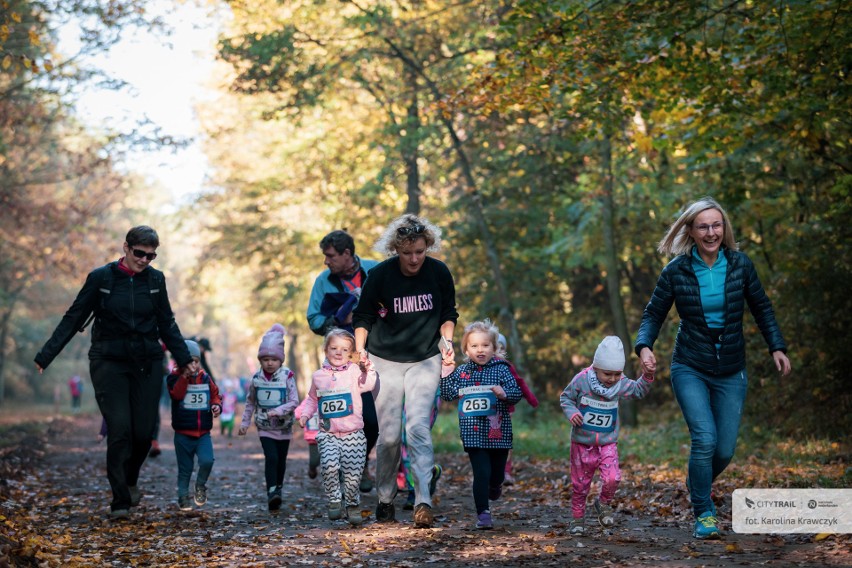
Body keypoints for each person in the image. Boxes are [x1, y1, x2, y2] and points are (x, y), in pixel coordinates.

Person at [635, 197, 792, 540]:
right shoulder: (676, 270)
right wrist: (644, 347)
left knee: (724, 449)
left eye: (716, 225)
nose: (711, 232)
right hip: (690, 364)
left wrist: (776, 347)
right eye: (703, 226)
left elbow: (762, 308)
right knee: (704, 439)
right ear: (690, 230)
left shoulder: (740, 265)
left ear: (725, 228)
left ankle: (696, 480)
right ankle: (704, 512)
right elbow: (653, 314)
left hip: (731, 367)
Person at [34, 225, 192, 519]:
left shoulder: (156, 280)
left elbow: (167, 323)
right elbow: (74, 317)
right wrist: (47, 354)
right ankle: (120, 500)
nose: (145, 260)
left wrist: (185, 358)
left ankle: (130, 479)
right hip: (109, 361)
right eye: (140, 253)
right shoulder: (101, 278)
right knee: (120, 429)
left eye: (151, 256)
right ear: (126, 247)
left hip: (147, 362)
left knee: (144, 433)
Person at [352, 214, 459, 528]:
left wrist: (447, 341)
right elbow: (363, 316)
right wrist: (360, 350)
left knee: (417, 429)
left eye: (420, 252)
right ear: (395, 249)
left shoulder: (438, 272)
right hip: (385, 359)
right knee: (389, 437)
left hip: (425, 359)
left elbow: (449, 311)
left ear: (428, 247)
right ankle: (386, 498)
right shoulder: (381, 275)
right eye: (407, 253)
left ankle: (423, 500)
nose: (414, 259)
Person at [306, 229, 380, 492]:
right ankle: (346, 468)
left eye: (330, 256)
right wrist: (338, 320)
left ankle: (360, 464)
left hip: (376, 353)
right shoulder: (323, 281)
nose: (326, 261)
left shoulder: (376, 270)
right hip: (342, 359)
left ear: (347, 254)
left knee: (371, 420)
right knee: (342, 416)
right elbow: (313, 318)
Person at [559, 336, 655, 535]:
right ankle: (577, 519)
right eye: (607, 374)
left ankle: (603, 505)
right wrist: (572, 412)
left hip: (607, 441)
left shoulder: (620, 383)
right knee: (580, 484)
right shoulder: (582, 380)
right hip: (582, 442)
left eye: (617, 374)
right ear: (596, 367)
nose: (612, 379)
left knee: (613, 478)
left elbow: (637, 391)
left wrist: (646, 376)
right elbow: (566, 398)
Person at [439, 320, 522, 530]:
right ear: (466, 349)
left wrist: (504, 394)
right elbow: (448, 394)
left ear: (494, 347)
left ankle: (496, 485)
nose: (480, 350)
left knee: (496, 474)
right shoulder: (462, 372)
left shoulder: (503, 370)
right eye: (474, 346)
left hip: (499, 433)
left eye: (485, 345)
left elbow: (516, 393)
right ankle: (483, 513)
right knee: (481, 473)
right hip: (473, 432)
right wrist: (446, 371)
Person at [298, 329, 378, 526]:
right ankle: (334, 499)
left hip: (354, 434)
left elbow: (370, 384)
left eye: (344, 349)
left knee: (353, 474)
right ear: (326, 350)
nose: (338, 352)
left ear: (351, 353)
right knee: (329, 466)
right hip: (328, 434)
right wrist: (305, 414)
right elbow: (312, 399)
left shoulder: (355, 372)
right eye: (334, 348)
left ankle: (352, 504)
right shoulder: (318, 376)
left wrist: (368, 368)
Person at [239, 324, 300, 512]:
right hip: (264, 426)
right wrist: (244, 422)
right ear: (260, 360)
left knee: (281, 460)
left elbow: (294, 400)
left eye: (274, 359)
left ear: (280, 359)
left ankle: (278, 489)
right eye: (265, 359)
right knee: (271, 457)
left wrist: (280, 410)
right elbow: (250, 402)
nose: (270, 363)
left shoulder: (287, 376)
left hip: (284, 426)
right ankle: (271, 491)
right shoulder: (256, 378)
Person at [167, 339, 222, 511]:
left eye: (196, 362)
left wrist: (216, 405)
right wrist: (184, 377)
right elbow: (176, 395)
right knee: (185, 469)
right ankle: (183, 497)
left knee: (207, 461)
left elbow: (215, 394)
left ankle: (200, 485)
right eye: (189, 362)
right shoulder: (173, 378)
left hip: (203, 432)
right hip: (183, 433)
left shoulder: (205, 378)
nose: (193, 366)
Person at [495, 333, 539, 486]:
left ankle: (506, 471)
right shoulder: (480, 367)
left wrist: (531, 399)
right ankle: (489, 472)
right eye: (495, 348)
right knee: (487, 442)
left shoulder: (507, 366)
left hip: (506, 412)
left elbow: (519, 382)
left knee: (505, 441)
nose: (498, 352)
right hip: (485, 413)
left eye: (501, 348)